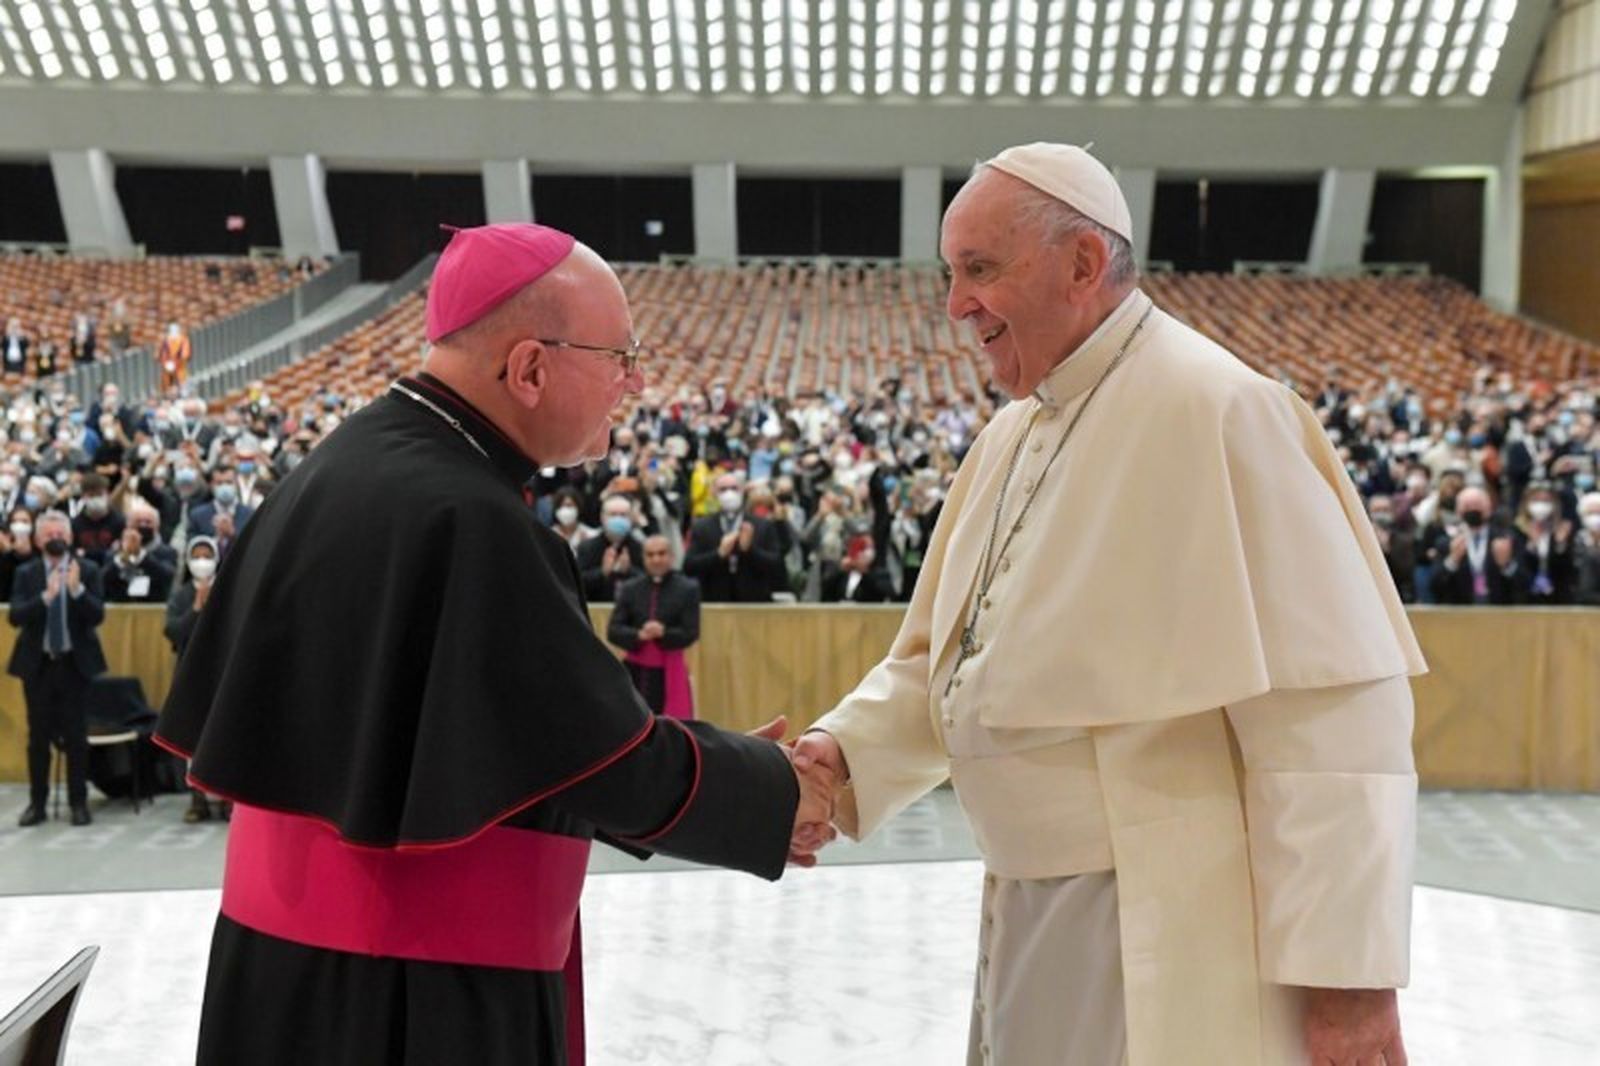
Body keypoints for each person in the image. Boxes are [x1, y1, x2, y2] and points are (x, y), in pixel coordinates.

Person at [791, 144, 1423, 1066]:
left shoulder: (1222, 410)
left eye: (979, 270)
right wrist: (839, 755)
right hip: (1027, 903)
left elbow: (1332, 724)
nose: (956, 303)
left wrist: (1350, 988)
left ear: (1083, 264)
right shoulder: (1012, 434)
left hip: (1168, 912)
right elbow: (952, 665)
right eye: (951, 272)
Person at [154, 222, 835, 1066]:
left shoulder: (340, 465)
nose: (637, 380)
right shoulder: (472, 518)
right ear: (529, 368)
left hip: (284, 975)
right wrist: (772, 794)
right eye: (621, 356)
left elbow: (520, 746)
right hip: (412, 994)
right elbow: (599, 760)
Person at [9, 511, 108, 828]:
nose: (56, 538)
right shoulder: (27, 573)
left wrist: (77, 591)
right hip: (38, 666)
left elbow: (97, 616)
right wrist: (45, 597)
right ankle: (37, 804)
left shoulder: (88, 570)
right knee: (37, 737)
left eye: (60, 533)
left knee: (77, 737)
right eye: (49, 533)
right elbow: (16, 616)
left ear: (70, 537)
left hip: (74, 666)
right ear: (38, 540)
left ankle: (78, 802)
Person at [607, 534, 701, 719]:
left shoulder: (687, 588)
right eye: (650, 555)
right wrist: (638, 635)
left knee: (670, 727)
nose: (656, 559)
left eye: (661, 553)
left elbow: (691, 632)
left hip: (670, 671)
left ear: (671, 556)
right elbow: (613, 630)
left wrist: (663, 632)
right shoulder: (630, 588)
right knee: (630, 721)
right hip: (634, 671)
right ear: (643, 558)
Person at [164, 537, 224, 823]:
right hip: (190, 671)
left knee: (222, 735)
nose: (202, 560)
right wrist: (196, 611)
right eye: (197, 555)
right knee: (193, 739)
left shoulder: (227, 586)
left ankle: (226, 798)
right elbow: (173, 631)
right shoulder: (182, 594)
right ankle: (198, 800)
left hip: (222, 670)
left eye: (207, 555)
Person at [683, 472, 784, 602]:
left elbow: (777, 567)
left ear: (742, 491)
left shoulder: (763, 525)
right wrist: (718, 554)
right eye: (723, 489)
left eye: (734, 488)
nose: (729, 493)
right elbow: (689, 567)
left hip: (754, 602)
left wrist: (749, 550)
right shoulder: (702, 526)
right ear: (714, 493)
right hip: (715, 601)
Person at [1430, 486, 1522, 605]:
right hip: (1460, 614)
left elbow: (1524, 584)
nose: (1473, 509)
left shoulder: (1506, 539)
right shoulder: (1445, 542)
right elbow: (1434, 585)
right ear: (1458, 511)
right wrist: (1452, 561)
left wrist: (1507, 565)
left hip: (1500, 613)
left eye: (1477, 505)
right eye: (1467, 506)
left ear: (1489, 508)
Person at [575, 491, 644, 602]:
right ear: (602, 517)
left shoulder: (640, 547)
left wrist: (629, 571)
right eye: (613, 514)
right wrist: (602, 572)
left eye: (623, 515)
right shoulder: (587, 548)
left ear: (631, 518)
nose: (618, 519)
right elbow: (577, 584)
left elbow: (649, 583)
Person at [104, 525, 176, 604]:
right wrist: (122, 559)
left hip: (152, 605)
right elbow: (102, 581)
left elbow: (167, 576)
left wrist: (141, 556)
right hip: (119, 606)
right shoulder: (112, 556)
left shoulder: (165, 552)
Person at [819, 533, 894, 603]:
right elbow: (826, 593)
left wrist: (865, 573)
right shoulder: (841, 576)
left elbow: (884, 594)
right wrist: (841, 569)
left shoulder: (880, 575)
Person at [1576, 491, 1600, 606]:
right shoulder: (1573, 539)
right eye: (1591, 513)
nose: (1595, 518)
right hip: (1576, 603)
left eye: (1598, 513)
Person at [156, 321, 193, 394]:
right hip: (167, 367)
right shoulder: (164, 340)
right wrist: (166, 362)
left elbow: (185, 354)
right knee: (166, 382)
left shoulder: (184, 339)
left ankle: (183, 393)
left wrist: (177, 362)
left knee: (182, 382)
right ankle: (166, 392)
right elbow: (160, 353)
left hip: (180, 367)